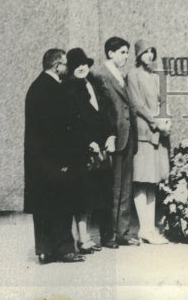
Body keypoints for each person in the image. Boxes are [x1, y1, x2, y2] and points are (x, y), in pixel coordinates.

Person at [23, 48, 83, 264]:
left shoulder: (36, 87)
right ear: (57, 66)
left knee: (43, 206)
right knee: (62, 204)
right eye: (65, 64)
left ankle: (44, 250)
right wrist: (65, 161)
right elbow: (57, 131)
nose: (67, 68)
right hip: (56, 159)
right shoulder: (53, 89)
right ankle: (64, 249)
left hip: (39, 161)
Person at [90, 36, 141, 247]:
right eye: (122, 52)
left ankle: (124, 232)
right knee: (113, 187)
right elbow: (102, 109)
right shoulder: (100, 74)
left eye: (127, 53)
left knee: (126, 186)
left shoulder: (121, 74)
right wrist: (106, 136)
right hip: (113, 137)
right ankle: (109, 234)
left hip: (128, 135)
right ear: (110, 53)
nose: (126, 57)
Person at [65, 46, 117, 253]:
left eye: (84, 64)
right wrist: (88, 143)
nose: (81, 68)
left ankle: (104, 237)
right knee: (82, 196)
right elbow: (72, 122)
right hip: (83, 149)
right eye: (76, 65)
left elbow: (107, 114)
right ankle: (83, 238)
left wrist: (111, 136)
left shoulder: (96, 85)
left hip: (102, 148)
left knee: (102, 192)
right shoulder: (70, 90)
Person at [127, 38, 171, 244]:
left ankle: (149, 227)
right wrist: (156, 123)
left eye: (152, 52)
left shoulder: (156, 76)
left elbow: (163, 101)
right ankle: (144, 228)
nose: (150, 56)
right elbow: (137, 104)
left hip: (158, 135)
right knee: (142, 180)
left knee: (152, 181)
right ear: (138, 56)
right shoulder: (133, 75)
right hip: (144, 134)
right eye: (145, 52)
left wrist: (166, 119)